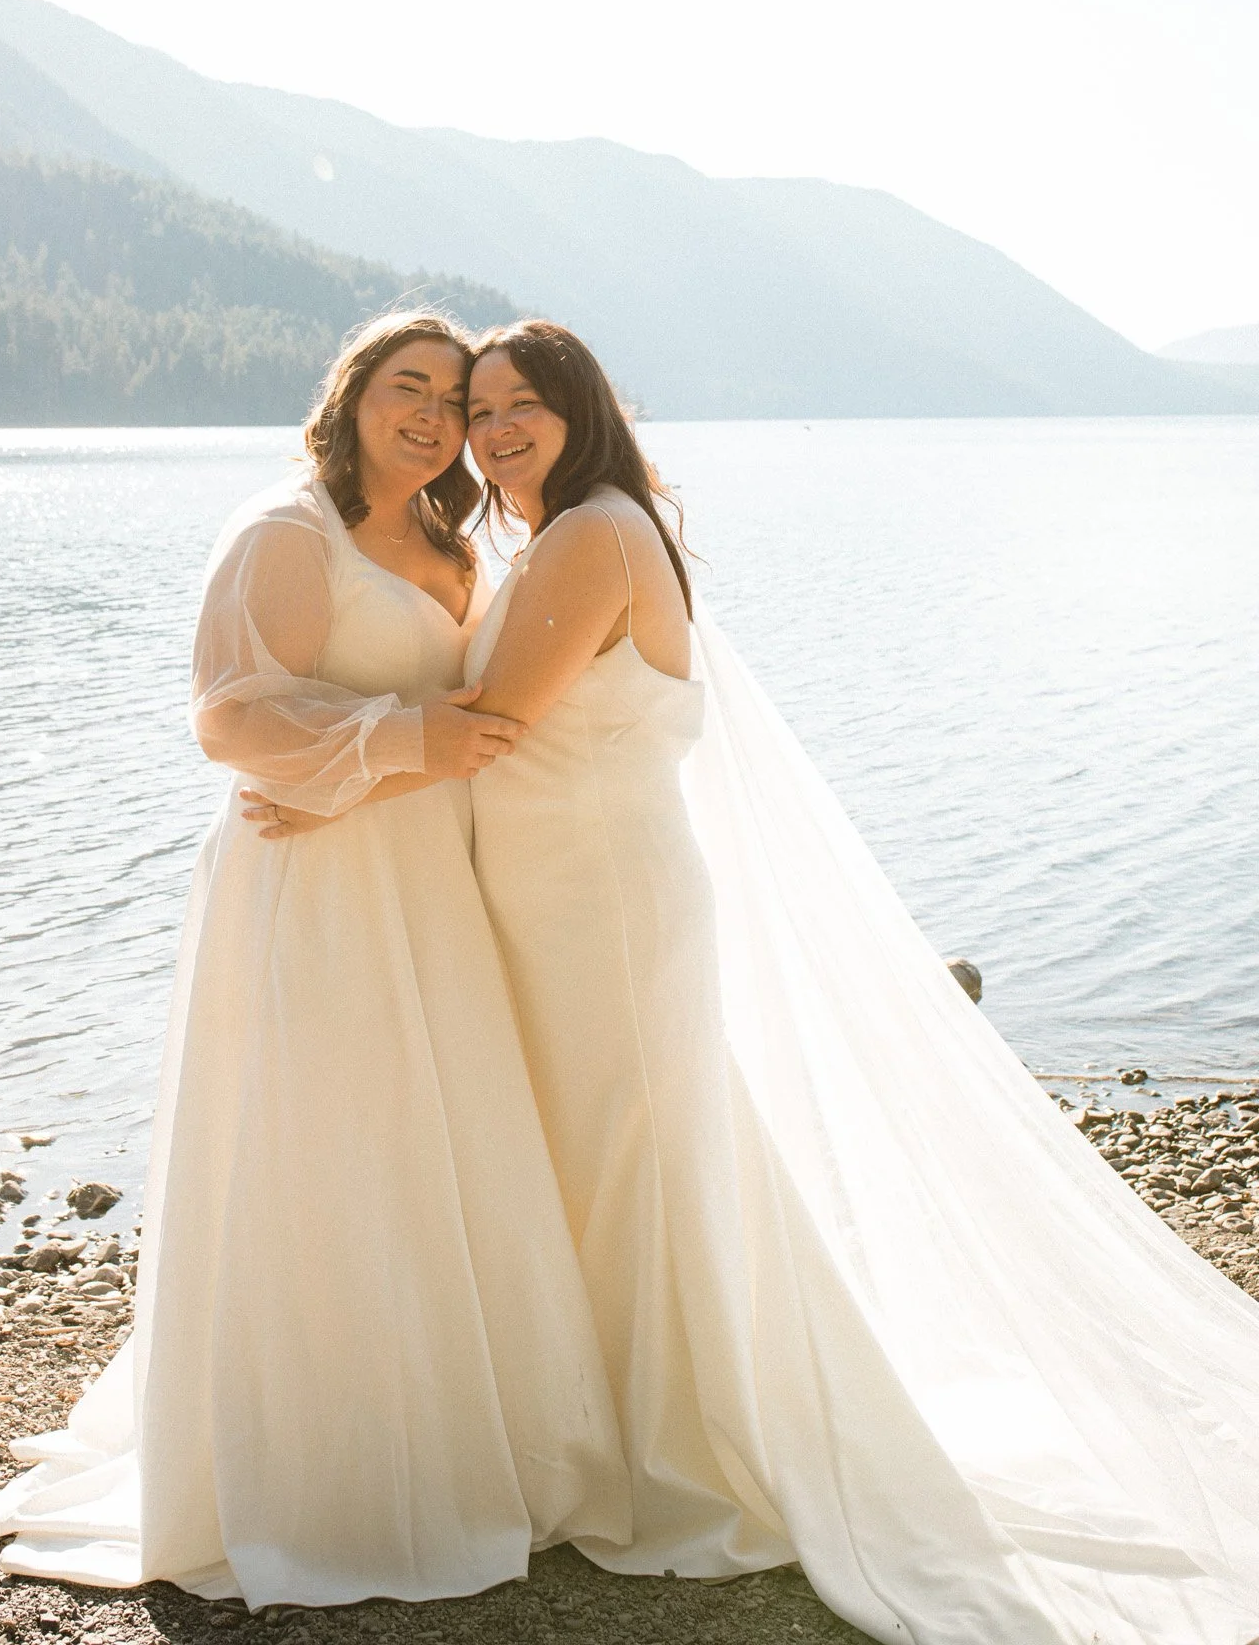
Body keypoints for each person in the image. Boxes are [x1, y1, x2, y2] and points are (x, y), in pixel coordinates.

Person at [258, 318, 1259, 1645]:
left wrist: (328, 795)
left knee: (633, 1165)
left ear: (580, 414)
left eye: (519, 408)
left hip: (598, 909)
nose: (492, 430)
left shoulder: (590, 536)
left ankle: (679, 1463)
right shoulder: (569, 530)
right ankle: (610, 1431)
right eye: (476, 409)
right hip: (564, 902)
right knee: (612, 1162)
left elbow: (493, 722)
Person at [0, 312, 628, 1606]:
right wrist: (388, 755)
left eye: (456, 398)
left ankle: (457, 1427)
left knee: (432, 1128)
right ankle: (322, 1464)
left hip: (425, 873)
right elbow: (230, 713)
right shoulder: (288, 528)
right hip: (312, 873)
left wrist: (410, 767)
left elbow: (467, 714)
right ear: (353, 396)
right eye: (410, 387)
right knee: (320, 1139)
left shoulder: (447, 539)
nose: (438, 415)